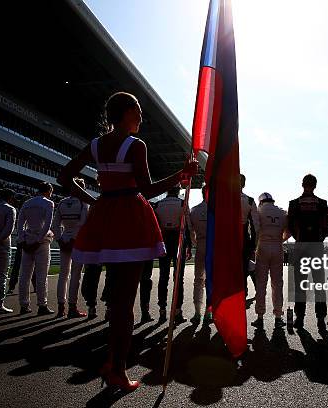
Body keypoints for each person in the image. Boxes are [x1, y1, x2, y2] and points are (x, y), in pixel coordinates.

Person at [57, 91, 198, 392]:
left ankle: (112, 361)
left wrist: (94, 200)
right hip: (130, 217)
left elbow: (65, 176)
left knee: (119, 299)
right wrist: (181, 175)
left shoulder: (96, 144)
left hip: (106, 215)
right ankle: (118, 369)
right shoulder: (135, 145)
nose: (141, 117)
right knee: (124, 302)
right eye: (138, 111)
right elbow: (146, 190)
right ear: (126, 113)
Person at [288, 174, 328, 330]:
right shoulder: (322, 204)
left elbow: (290, 227)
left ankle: (299, 318)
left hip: (300, 248)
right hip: (317, 248)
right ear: (315, 185)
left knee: (300, 285)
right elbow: (327, 228)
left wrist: (300, 237)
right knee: (319, 284)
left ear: (302, 184)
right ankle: (321, 319)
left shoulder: (293, 204)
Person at [154, 186, 192, 323]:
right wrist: (189, 245)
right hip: (178, 241)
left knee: (163, 277)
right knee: (178, 278)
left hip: (164, 239)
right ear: (177, 191)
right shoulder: (183, 203)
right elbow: (188, 226)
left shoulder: (157, 205)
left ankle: (162, 310)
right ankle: (177, 311)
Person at [252, 192, 289, 329]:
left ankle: (260, 316)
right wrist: (280, 240)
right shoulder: (282, 212)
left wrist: (255, 247)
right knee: (277, 284)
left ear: (261, 201)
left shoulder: (258, 211)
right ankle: (278, 316)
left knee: (261, 283)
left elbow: (255, 230)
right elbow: (288, 232)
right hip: (278, 247)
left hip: (262, 246)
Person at [17, 182, 55, 315]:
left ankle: (24, 305)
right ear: (49, 191)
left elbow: (20, 223)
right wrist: (38, 240)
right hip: (41, 242)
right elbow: (47, 224)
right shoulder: (48, 203)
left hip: (27, 240)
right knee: (41, 275)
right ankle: (42, 305)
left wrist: (22, 240)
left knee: (24, 275)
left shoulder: (27, 203)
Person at [53, 178, 89, 318]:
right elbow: (83, 222)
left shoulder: (61, 202)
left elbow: (55, 224)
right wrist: (74, 238)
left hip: (64, 239)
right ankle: (72, 307)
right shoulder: (83, 202)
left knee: (63, 274)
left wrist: (60, 239)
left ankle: (61, 307)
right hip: (78, 240)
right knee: (75, 275)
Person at [189, 185, 213, 324]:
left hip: (201, 245)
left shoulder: (194, 210)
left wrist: (195, 243)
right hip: (213, 246)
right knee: (210, 281)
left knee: (198, 280)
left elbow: (191, 232)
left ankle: (197, 312)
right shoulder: (217, 210)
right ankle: (208, 313)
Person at [241, 174, 260, 297]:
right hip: (243, 237)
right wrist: (254, 244)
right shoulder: (249, 200)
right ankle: (243, 291)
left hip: (227, 238)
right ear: (244, 184)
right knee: (244, 266)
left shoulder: (224, 198)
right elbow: (255, 226)